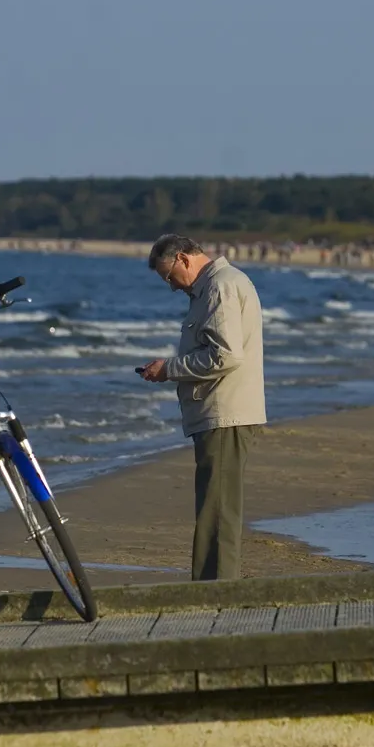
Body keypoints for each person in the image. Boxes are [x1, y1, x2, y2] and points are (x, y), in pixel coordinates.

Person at [140, 234, 267, 580]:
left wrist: (169, 368)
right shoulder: (218, 285)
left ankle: (216, 592)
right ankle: (211, 588)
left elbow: (224, 355)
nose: (171, 287)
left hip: (225, 413)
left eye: (169, 277)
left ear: (182, 259)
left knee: (218, 511)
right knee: (215, 508)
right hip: (221, 412)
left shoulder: (219, 287)